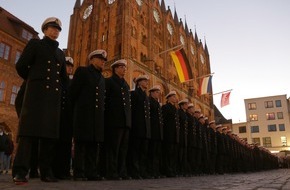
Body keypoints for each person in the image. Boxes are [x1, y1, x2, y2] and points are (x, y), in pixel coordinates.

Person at [12, 17, 67, 184]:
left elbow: (63, 78)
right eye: (52, 28)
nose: (55, 31)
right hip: (35, 97)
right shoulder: (35, 44)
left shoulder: (60, 53)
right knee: (28, 135)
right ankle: (20, 172)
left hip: (52, 100)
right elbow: (21, 65)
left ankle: (46, 172)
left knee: (49, 137)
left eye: (57, 29)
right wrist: (33, 80)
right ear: (44, 30)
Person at [69, 49, 107, 181]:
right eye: (100, 59)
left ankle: (91, 172)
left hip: (97, 117)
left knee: (93, 145)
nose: (103, 62)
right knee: (81, 145)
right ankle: (79, 172)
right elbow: (73, 93)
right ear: (91, 60)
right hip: (83, 114)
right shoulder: (82, 71)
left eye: (104, 60)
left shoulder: (102, 78)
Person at [104, 59, 132, 180]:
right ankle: (112, 171)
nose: (124, 69)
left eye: (125, 67)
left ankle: (121, 171)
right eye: (121, 67)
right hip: (114, 120)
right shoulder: (109, 82)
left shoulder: (125, 84)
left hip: (125, 122)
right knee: (113, 148)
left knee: (123, 149)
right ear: (115, 69)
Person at [52, 57, 74, 179]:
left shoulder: (72, 81)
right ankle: (54, 170)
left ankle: (64, 171)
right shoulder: (57, 79)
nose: (70, 68)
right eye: (67, 65)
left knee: (66, 145)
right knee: (55, 144)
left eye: (71, 66)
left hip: (68, 117)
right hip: (56, 115)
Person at [128, 75, 151, 179]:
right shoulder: (134, 94)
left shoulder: (145, 96)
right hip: (137, 127)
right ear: (139, 82)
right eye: (144, 81)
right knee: (135, 150)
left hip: (145, 128)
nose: (146, 83)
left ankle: (142, 171)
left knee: (143, 151)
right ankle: (134, 171)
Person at [161, 91, 180, 177]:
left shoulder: (175, 109)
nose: (175, 98)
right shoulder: (165, 107)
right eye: (174, 97)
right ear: (169, 98)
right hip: (168, 133)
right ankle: (167, 170)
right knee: (168, 152)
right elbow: (163, 120)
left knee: (173, 153)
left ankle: (172, 169)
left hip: (174, 134)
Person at [147, 85, 163, 178]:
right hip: (152, 130)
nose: (158, 94)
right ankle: (151, 171)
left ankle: (156, 171)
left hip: (158, 132)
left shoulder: (157, 103)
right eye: (157, 92)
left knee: (157, 152)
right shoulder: (149, 101)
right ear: (152, 93)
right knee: (152, 151)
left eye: (159, 92)